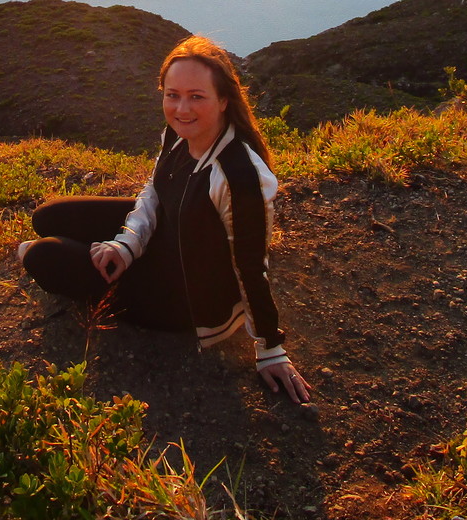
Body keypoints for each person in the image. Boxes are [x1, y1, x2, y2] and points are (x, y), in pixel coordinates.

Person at [18, 35, 313, 403]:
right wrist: (127, 245)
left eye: (196, 96)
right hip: (168, 234)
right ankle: (100, 252)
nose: (182, 109)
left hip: (181, 295)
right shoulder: (178, 135)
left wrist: (270, 347)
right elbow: (155, 190)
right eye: (172, 95)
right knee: (48, 215)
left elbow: (251, 266)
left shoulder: (238, 177)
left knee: (41, 255)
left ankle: (65, 257)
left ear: (224, 100)